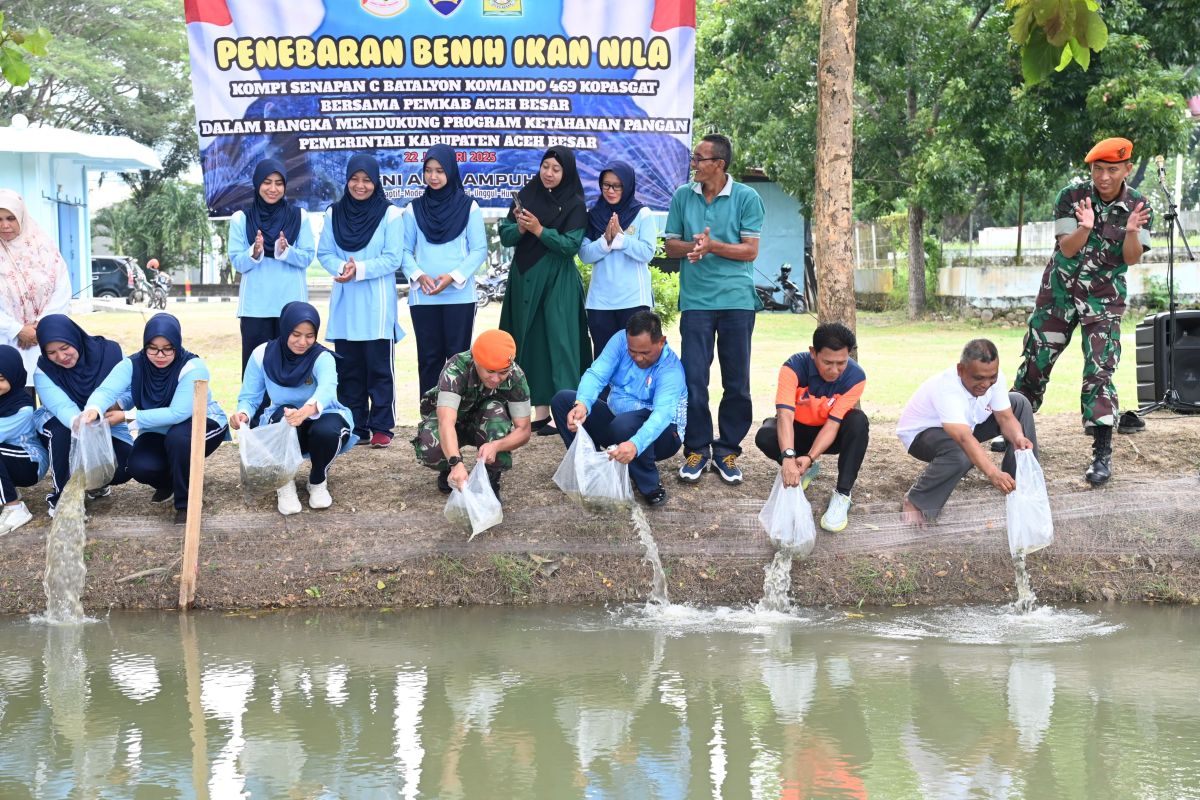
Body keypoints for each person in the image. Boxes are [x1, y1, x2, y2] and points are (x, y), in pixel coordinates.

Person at [1011, 137, 1151, 486]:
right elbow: (1067, 249)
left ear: (1127, 169)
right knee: (1035, 362)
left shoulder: (1137, 204)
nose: (1104, 177)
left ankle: (1102, 452)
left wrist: (1132, 232)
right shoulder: (1071, 197)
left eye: (1112, 170)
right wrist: (1086, 227)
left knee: (1100, 370)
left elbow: (1132, 257)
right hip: (1058, 293)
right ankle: (1010, 431)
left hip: (1103, 299)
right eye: (1098, 169)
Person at [663, 134, 765, 485]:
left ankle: (728, 450)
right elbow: (671, 245)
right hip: (696, 304)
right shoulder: (682, 196)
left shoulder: (747, 197)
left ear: (719, 164)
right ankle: (696, 449)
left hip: (737, 302)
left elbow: (750, 250)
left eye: (699, 158)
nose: (693, 163)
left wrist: (713, 247)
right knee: (694, 380)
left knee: (736, 382)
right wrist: (694, 245)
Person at [79, 314, 228, 525]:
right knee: (139, 465)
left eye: (168, 348)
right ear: (144, 345)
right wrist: (93, 409)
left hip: (201, 421)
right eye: (153, 347)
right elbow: (107, 389)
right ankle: (171, 483)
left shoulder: (193, 367)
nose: (160, 355)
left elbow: (178, 413)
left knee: (179, 439)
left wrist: (126, 416)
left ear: (177, 344)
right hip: (157, 426)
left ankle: (187, 504)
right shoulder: (134, 363)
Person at [498, 145, 591, 436]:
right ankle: (539, 411)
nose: (549, 174)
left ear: (567, 172)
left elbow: (570, 247)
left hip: (556, 282)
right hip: (524, 277)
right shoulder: (527, 194)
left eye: (556, 168)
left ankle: (563, 412)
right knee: (530, 342)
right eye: (545, 166)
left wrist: (539, 229)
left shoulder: (575, 203)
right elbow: (505, 234)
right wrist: (522, 228)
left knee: (560, 343)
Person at [549, 310, 685, 506]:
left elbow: (661, 415)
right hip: (619, 423)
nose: (638, 358)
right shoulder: (620, 341)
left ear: (661, 341)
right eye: (633, 351)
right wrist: (582, 404)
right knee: (562, 400)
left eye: (645, 352)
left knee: (625, 424)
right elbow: (596, 374)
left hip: (663, 436)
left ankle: (650, 485)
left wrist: (635, 444)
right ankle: (592, 470)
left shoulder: (671, 370)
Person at [896, 339, 1038, 525]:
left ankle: (1021, 485)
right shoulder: (947, 388)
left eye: (991, 377)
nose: (986, 384)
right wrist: (993, 473)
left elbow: (1006, 418)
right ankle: (917, 500)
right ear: (960, 370)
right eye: (978, 378)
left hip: (967, 426)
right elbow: (963, 438)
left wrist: (1018, 437)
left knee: (1018, 402)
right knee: (962, 454)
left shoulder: (994, 379)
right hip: (923, 434)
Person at [231, 302, 354, 515]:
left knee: (327, 430)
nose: (302, 342)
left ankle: (318, 480)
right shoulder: (262, 354)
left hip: (322, 413)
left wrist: (305, 411)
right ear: (285, 329)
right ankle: (284, 484)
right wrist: (243, 414)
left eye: (309, 335)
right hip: (284, 417)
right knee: (282, 419)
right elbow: (250, 397)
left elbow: (327, 389)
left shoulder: (321, 357)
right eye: (296, 334)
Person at [317, 154, 405, 448]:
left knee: (379, 369)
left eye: (367, 179)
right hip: (345, 302)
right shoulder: (334, 214)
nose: (360, 185)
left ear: (376, 181)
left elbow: (393, 258)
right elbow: (325, 253)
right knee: (349, 370)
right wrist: (342, 269)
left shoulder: (390, 215)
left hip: (377, 305)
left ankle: (382, 426)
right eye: (354, 179)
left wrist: (360, 269)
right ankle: (356, 426)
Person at [754, 322, 869, 532]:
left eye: (841, 363)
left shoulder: (856, 377)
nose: (834, 370)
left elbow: (833, 425)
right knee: (765, 435)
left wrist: (810, 456)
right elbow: (785, 415)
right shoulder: (793, 368)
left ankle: (842, 495)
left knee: (858, 421)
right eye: (827, 362)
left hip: (827, 435)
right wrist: (788, 457)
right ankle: (801, 468)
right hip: (796, 431)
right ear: (813, 352)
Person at [401, 144, 488, 397]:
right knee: (429, 359)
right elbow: (404, 252)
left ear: (450, 170)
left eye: (440, 170)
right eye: (428, 170)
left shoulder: (468, 207)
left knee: (458, 360)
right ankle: (429, 421)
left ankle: (457, 419)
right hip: (424, 296)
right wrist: (419, 276)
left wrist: (453, 277)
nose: (434, 176)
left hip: (460, 296)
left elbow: (479, 249)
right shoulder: (413, 209)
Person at [412, 329, 532, 501]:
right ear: (476, 361)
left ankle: (490, 479)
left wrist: (497, 446)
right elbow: (446, 422)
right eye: (490, 371)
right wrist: (455, 463)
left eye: (503, 372)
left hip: (486, 423)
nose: (496, 379)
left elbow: (524, 430)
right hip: (455, 424)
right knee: (430, 447)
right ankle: (448, 469)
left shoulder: (515, 376)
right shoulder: (456, 369)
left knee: (495, 410)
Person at [32, 314, 134, 516]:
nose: (61, 357)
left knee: (127, 465)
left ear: (75, 338)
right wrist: (80, 420)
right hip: (65, 421)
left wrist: (117, 403)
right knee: (60, 431)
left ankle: (95, 483)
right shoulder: (43, 371)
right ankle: (63, 498)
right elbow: (62, 407)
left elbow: (131, 389)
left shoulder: (111, 353)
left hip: (107, 420)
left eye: (64, 348)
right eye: (51, 352)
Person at [227, 159, 316, 375]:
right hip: (255, 308)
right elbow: (237, 262)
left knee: (293, 367)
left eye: (279, 183)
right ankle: (254, 410)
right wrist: (254, 252)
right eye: (267, 182)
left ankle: (292, 410)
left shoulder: (299, 217)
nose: (273, 189)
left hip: (292, 306)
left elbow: (307, 257)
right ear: (257, 184)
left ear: (285, 185)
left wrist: (286, 251)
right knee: (256, 368)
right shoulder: (241, 219)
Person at [579, 161, 657, 359]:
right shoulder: (594, 215)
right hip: (600, 303)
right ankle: (606, 393)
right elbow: (585, 255)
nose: (610, 190)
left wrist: (621, 239)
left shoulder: (642, 214)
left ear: (628, 186)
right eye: (606, 185)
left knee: (636, 358)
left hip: (634, 300)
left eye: (617, 185)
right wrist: (606, 240)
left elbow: (647, 252)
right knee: (605, 361)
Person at [0, 189, 73, 379]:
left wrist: (40, 328)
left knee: (51, 390)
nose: (5, 225)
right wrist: (18, 330)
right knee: (14, 398)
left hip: (46, 337)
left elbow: (62, 290)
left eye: (10, 218)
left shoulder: (43, 247)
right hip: (6, 339)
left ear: (21, 217)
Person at [0, 345, 48, 535]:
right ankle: (6, 491)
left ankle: (15, 508)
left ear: (14, 376)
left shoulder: (22, 408)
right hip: (9, 455)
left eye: (1, 379)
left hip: (30, 462)